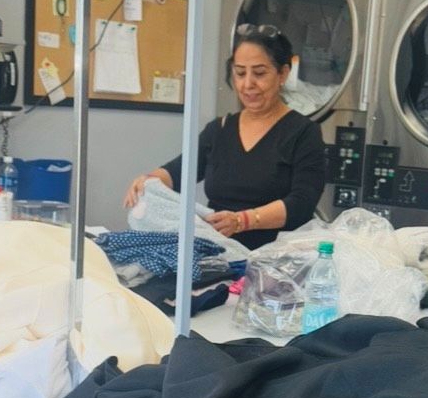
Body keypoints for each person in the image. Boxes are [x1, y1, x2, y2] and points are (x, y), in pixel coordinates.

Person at [124, 24, 327, 250]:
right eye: (240, 73)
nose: (248, 84)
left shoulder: (303, 133)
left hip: (274, 258)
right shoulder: (219, 130)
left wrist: (242, 221)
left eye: (259, 73)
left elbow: (302, 203)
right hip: (218, 252)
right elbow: (178, 171)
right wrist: (149, 180)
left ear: (283, 74)